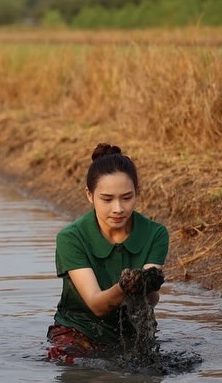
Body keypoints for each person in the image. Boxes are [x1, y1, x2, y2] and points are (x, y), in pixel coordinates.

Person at [47, 143, 169, 364]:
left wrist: (147, 286)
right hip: (79, 332)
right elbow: (97, 305)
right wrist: (126, 286)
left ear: (137, 192)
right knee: (79, 367)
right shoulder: (70, 238)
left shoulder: (156, 233)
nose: (118, 209)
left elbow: (150, 299)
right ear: (89, 195)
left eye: (127, 197)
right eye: (107, 199)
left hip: (130, 334)